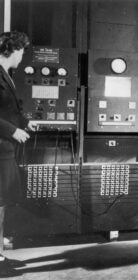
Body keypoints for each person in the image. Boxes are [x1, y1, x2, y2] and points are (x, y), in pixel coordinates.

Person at [0, 31, 36, 276]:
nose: (23, 56)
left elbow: (8, 108)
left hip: (5, 149)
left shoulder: (6, 76)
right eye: (22, 51)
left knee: (1, 203)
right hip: (1, 146)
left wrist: (24, 122)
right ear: (11, 50)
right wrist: (13, 131)